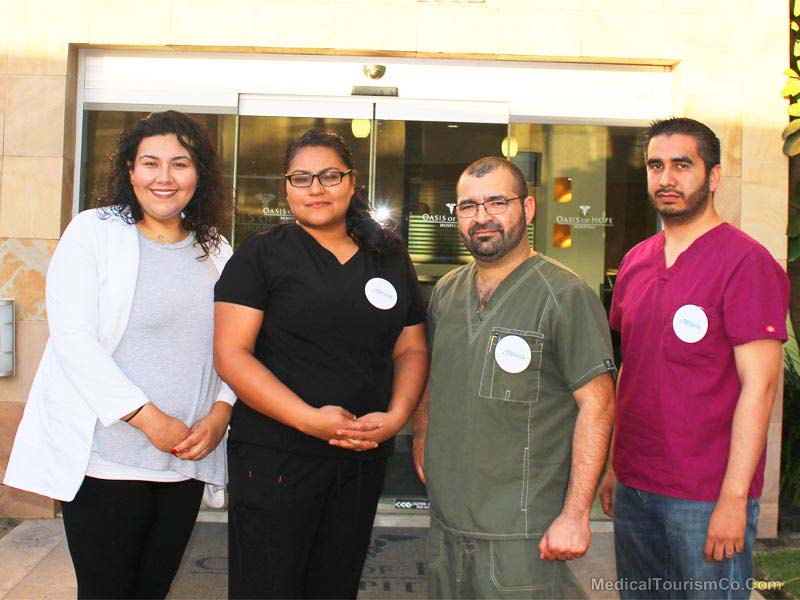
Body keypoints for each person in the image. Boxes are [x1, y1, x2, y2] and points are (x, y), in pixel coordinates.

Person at [3, 110, 235, 599]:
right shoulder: (94, 231)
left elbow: (236, 346)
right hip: (107, 460)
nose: (165, 178)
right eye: (151, 163)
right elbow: (73, 339)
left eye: (181, 163)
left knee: (152, 590)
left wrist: (221, 412)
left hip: (186, 459)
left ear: (200, 175)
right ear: (130, 170)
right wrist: (147, 418)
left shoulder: (216, 249)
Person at [213, 128, 429, 599]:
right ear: (286, 187)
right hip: (276, 459)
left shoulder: (388, 257)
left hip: (359, 459)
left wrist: (397, 417)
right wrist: (309, 420)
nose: (316, 188)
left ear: (352, 183)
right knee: (268, 588)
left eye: (330, 175)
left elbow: (411, 348)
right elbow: (231, 356)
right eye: (301, 177)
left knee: (335, 585)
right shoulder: (261, 256)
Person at [599, 117, 790, 599]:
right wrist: (612, 466)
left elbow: (761, 387)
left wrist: (733, 498)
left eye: (682, 165)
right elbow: (631, 371)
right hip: (636, 486)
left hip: (705, 496)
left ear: (714, 176)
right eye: (656, 166)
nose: (667, 179)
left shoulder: (747, 264)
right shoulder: (636, 263)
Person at [412, 156, 616, 598]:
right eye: (467, 206)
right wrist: (421, 431)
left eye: (496, 202)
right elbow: (435, 371)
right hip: (447, 527)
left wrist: (576, 514)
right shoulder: (447, 291)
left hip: (521, 535)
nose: (481, 217)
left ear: (528, 208)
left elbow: (598, 404)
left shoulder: (564, 294)